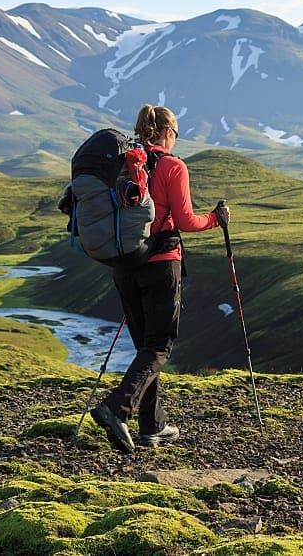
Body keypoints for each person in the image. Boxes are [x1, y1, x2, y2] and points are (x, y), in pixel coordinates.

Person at [90, 104, 229, 453]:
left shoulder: (121, 165)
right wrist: (216, 219)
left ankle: (152, 426)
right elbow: (185, 221)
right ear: (168, 133)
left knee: (146, 347)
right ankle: (116, 408)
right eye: (177, 134)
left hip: (124, 265)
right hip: (161, 264)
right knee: (160, 344)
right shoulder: (172, 166)